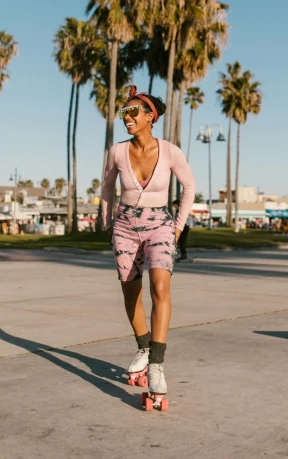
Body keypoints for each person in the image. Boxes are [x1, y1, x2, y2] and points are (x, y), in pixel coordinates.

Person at [101, 86, 196, 405]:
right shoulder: (116, 151)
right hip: (125, 226)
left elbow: (189, 186)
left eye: (132, 113)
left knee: (159, 289)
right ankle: (143, 346)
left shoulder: (170, 151)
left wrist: (178, 226)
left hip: (160, 225)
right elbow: (106, 190)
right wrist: (107, 224)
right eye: (123, 113)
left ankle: (156, 365)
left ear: (149, 117)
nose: (126, 118)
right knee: (131, 294)